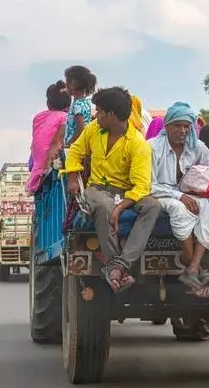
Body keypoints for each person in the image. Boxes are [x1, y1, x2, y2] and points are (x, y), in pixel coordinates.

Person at [65, 87, 161, 292]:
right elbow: (75, 152)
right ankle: (114, 265)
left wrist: (121, 207)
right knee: (103, 205)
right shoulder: (93, 129)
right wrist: (73, 177)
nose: (96, 115)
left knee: (153, 206)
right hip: (98, 189)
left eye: (99, 111)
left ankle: (119, 265)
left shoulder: (138, 144)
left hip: (126, 192)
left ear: (112, 115)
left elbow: (142, 186)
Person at [150, 102, 209, 289]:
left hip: (187, 194)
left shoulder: (196, 146)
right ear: (167, 126)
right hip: (160, 194)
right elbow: (148, 185)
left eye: (186, 126)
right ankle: (193, 265)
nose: (182, 130)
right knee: (180, 209)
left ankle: (192, 268)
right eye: (177, 126)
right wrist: (179, 196)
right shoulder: (152, 147)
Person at [26, 81, 72, 195]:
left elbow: (37, 141)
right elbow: (58, 142)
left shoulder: (38, 117)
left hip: (34, 163)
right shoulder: (65, 118)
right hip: (48, 166)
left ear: (48, 102)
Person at [63, 65, 97, 146]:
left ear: (72, 84)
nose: (65, 85)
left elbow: (80, 128)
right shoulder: (85, 103)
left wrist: (69, 143)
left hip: (75, 147)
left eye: (66, 82)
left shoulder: (77, 105)